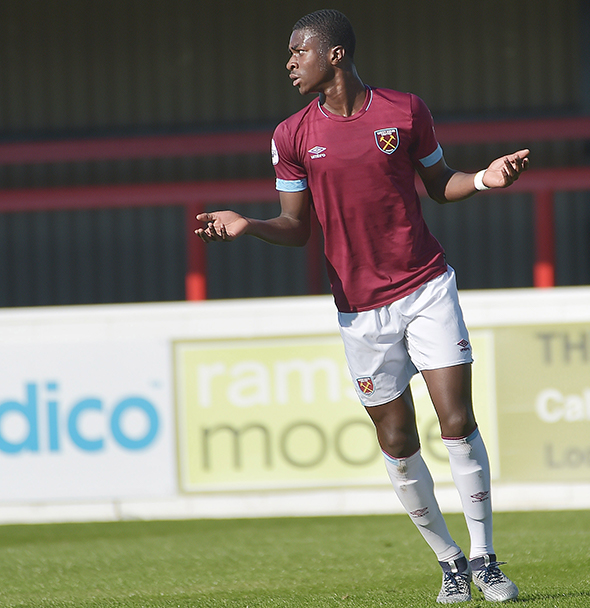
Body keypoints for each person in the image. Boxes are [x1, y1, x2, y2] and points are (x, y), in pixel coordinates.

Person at [194, 9, 528, 604]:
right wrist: (248, 226)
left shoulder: (404, 111)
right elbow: (297, 229)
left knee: (457, 422)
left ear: (336, 55)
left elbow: (440, 182)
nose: (290, 62)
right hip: (359, 309)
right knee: (398, 441)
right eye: (291, 53)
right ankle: (449, 561)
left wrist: (483, 179)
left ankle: (485, 559)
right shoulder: (291, 135)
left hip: (426, 286)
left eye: (300, 51)